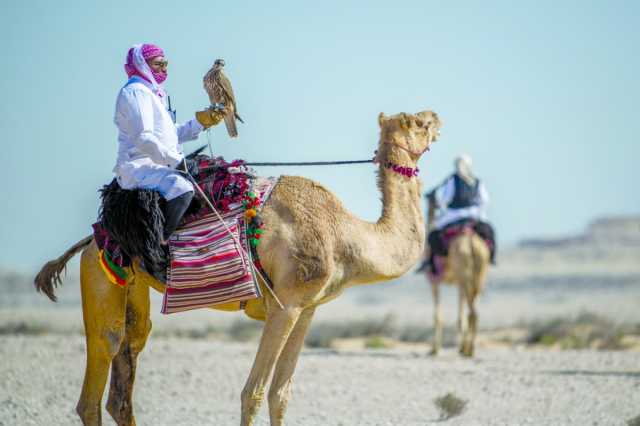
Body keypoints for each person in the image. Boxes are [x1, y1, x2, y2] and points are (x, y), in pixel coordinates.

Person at [113, 43, 225, 243]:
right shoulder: (135, 93)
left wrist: (202, 121)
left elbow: (170, 136)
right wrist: (178, 162)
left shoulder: (154, 94)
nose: (164, 69)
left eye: (165, 63)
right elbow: (143, 138)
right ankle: (159, 246)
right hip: (139, 167)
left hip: (161, 164)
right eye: (158, 64)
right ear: (141, 65)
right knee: (181, 188)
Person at [423, 154, 496, 272]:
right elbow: (484, 200)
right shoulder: (477, 181)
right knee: (490, 232)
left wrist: (440, 206)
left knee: (433, 235)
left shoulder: (453, 180)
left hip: (454, 215)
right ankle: (492, 257)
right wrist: (477, 210)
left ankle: (431, 263)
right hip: (475, 215)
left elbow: (445, 200)